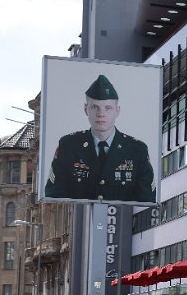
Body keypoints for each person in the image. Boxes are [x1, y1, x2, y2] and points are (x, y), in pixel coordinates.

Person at [44, 74, 156, 203]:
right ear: (86, 109)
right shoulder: (68, 146)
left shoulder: (137, 150)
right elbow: (53, 196)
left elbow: (147, 200)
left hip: (122, 221)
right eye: (95, 107)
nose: (101, 114)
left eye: (107, 108)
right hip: (78, 221)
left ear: (117, 111)